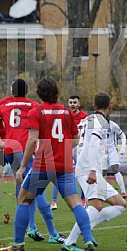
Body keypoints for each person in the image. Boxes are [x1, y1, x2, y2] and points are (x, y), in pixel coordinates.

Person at [0, 77, 94, 251]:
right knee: (75, 203)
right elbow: (74, 140)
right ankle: (88, 240)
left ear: (40, 93)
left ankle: (18, 244)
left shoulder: (36, 112)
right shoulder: (67, 112)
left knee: (23, 199)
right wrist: (60, 147)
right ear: (56, 92)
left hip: (43, 164)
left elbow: (32, 140)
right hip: (64, 165)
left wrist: (22, 166)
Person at [0, 79, 65, 244]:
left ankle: (32, 227)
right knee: (37, 190)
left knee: (23, 186)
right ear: (26, 91)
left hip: (8, 149)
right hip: (24, 150)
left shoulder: (4, 105)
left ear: (12, 91)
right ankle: (53, 234)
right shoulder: (34, 105)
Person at [62, 92, 126, 250]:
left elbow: (78, 142)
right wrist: (91, 169)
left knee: (120, 204)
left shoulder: (86, 119)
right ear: (109, 106)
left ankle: (87, 229)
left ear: (94, 105)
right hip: (88, 169)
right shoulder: (99, 122)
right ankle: (69, 241)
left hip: (88, 168)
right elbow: (92, 144)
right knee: (96, 206)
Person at [51, 95, 88, 210]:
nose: (72, 104)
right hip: (66, 146)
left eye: (74, 102)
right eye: (71, 102)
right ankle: (53, 201)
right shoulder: (64, 115)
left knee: (82, 172)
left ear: (79, 104)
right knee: (58, 172)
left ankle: (82, 199)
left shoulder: (85, 117)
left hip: (79, 147)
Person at [101, 119, 126, 197]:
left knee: (115, 169)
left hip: (112, 150)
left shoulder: (113, 125)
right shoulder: (96, 126)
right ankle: (103, 192)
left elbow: (122, 135)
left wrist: (122, 148)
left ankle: (123, 192)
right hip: (102, 151)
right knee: (103, 172)